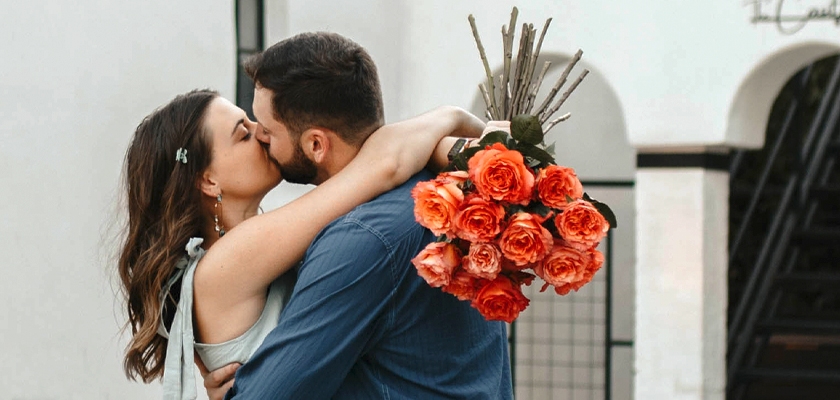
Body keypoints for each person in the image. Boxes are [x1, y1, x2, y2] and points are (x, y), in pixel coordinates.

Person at [118, 86, 484, 400]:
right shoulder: (229, 259)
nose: (261, 133)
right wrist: (450, 116)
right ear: (209, 181)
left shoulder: (239, 257)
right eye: (242, 134)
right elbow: (381, 167)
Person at [204, 32, 514, 399]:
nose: (259, 137)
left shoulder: (359, 240)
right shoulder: (442, 195)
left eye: (268, 130)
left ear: (316, 145)